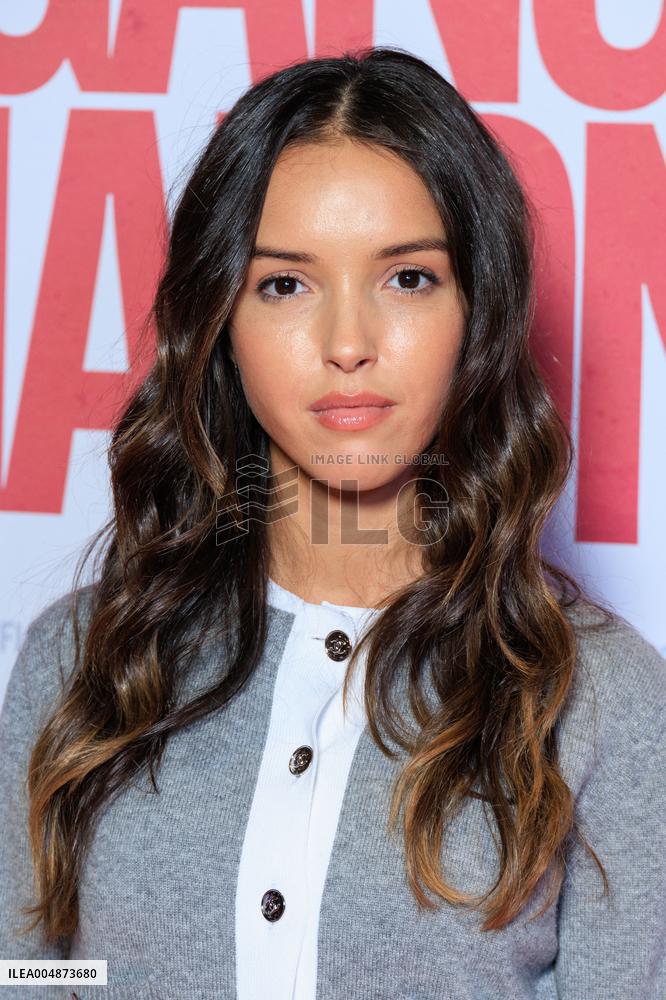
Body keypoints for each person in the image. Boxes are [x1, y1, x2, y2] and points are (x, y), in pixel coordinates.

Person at [0, 45, 664, 1000]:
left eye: (407, 279)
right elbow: (29, 971)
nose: (347, 344)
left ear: (478, 310)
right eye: (285, 284)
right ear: (218, 318)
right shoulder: (85, 657)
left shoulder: (605, 706)